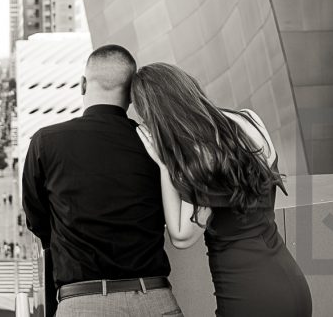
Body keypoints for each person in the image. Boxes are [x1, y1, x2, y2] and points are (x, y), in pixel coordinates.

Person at [131, 62, 312, 317]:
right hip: (290, 281)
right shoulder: (249, 120)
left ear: (157, 113)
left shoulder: (201, 154)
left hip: (248, 293)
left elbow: (182, 236)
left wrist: (164, 165)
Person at [23, 45, 182, 316]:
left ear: (82, 84)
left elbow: (37, 221)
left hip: (83, 302)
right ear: (132, 94)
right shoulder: (156, 144)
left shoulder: (46, 142)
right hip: (154, 299)